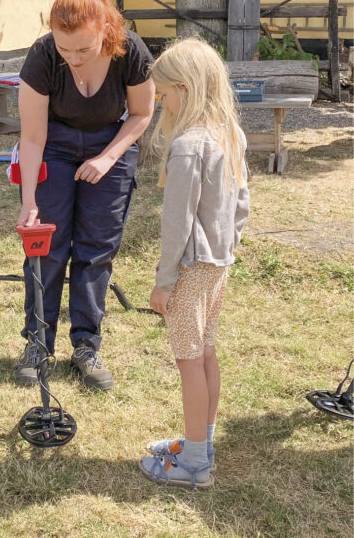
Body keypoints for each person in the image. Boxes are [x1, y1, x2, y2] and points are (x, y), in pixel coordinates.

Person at [15, 0, 155, 390]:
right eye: (65, 49)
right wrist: (28, 202)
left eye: (83, 49)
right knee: (47, 248)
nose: (72, 59)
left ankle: (86, 347)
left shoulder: (130, 51)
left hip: (110, 143)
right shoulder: (42, 56)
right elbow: (33, 137)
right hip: (53, 145)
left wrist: (108, 157)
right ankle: (38, 344)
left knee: (96, 249)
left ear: (106, 32)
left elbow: (142, 114)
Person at [138, 38, 250, 489]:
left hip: (189, 271)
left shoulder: (188, 146)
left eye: (163, 94)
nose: (161, 101)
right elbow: (243, 203)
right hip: (218, 266)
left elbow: (176, 225)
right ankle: (200, 441)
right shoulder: (230, 134)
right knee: (205, 355)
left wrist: (164, 283)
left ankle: (196, 465)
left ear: (184, 89)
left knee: (188, 362)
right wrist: (229, 243)